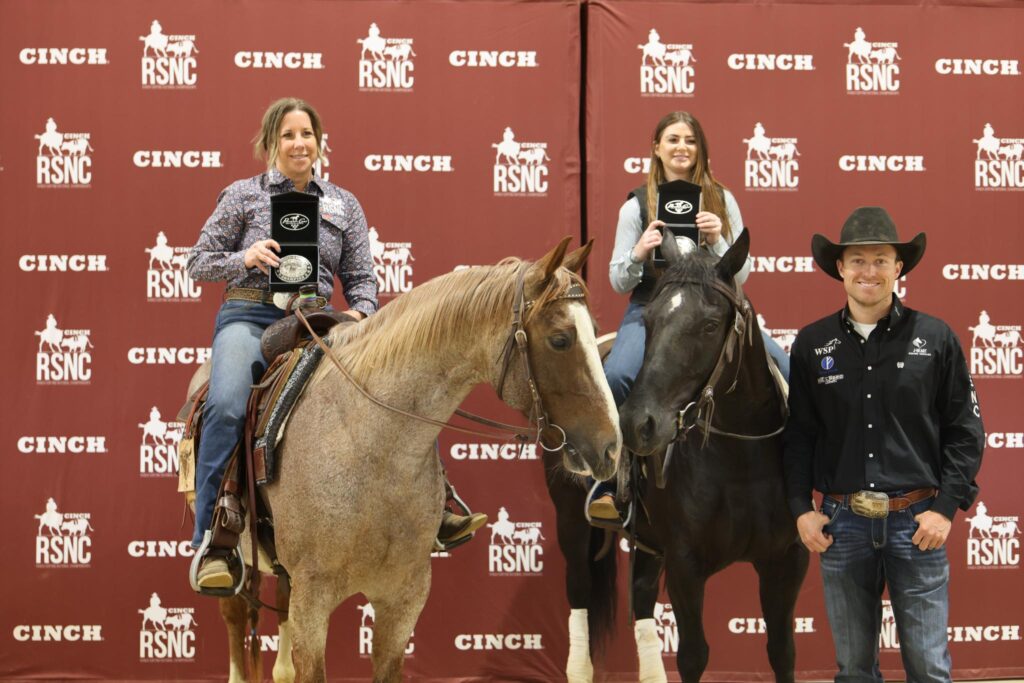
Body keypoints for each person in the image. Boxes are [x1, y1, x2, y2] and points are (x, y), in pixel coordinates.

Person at [187, 97, 483, 590]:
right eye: (287, 135)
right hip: (251, 317)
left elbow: (363, 278)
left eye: (307, 134)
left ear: (321, 142)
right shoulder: (242, 195)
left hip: (317, 322)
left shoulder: (344, 203)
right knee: (226, 404)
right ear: (269, 144)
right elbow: (198, 262)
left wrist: (362, 314)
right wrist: (245, 256)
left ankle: (439, 504)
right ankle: (215, 540)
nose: (299, 143)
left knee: (392, 387)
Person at [783, 207, 984, 682]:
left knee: (929, 667)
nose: (868, 271)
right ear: (840, 268)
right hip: (842, 524)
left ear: (899, 267)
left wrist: (946, 508)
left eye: (880, 260)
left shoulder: (935, 338)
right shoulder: (812, 345)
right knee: (853, 670)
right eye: (857, 260)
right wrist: (799, 508)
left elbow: (965, 431)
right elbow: (798, 438)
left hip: (918, 524)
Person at [589, 111, 791, 522]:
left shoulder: (722, 199)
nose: (683, 147)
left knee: (787, 368)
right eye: (673, 139)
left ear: (701, 149)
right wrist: (639, 253)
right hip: (653, 306)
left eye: (691, 140)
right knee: (617, 376)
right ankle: (612, 479)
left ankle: (802, 479)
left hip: (717, 306)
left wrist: (718, 240)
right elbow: (616, 279)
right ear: (657, 148)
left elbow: (743, 273)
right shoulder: (635, 206)